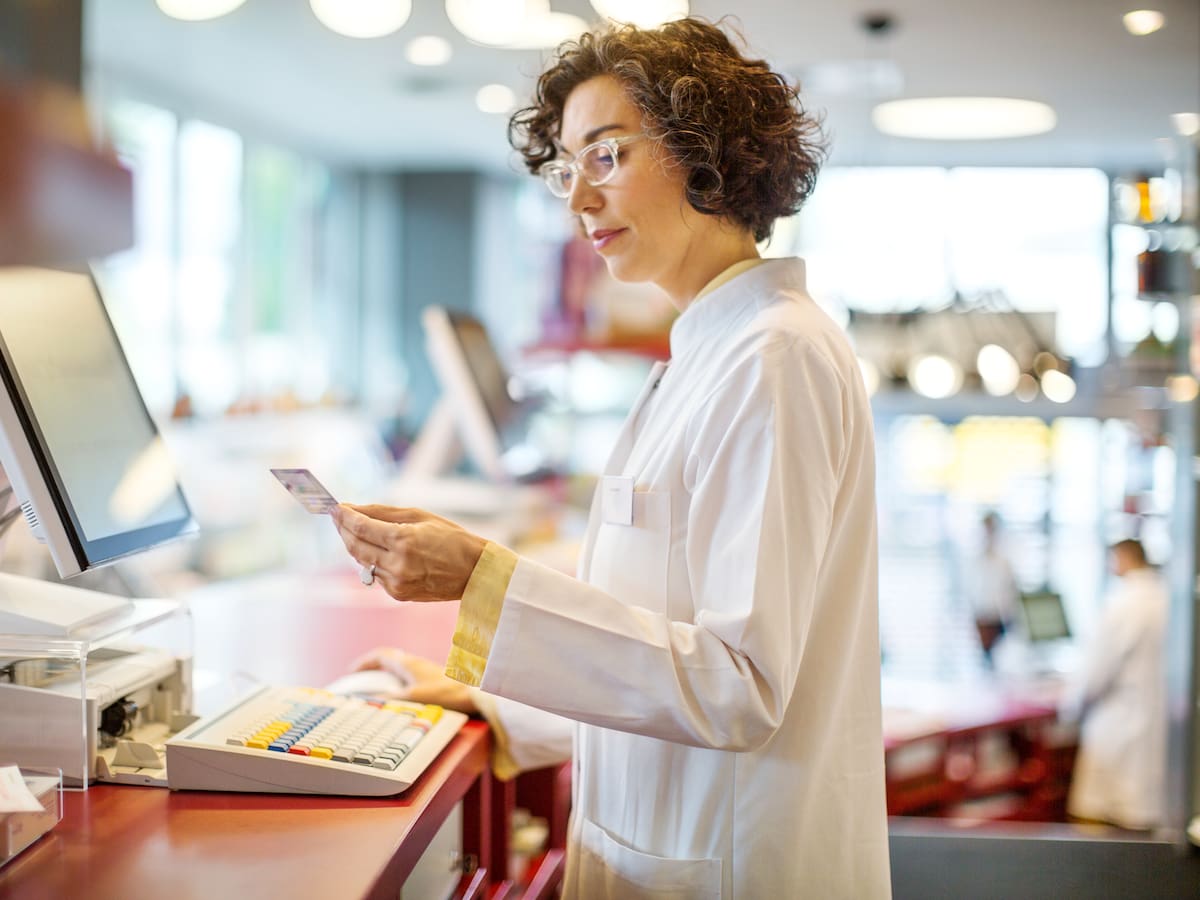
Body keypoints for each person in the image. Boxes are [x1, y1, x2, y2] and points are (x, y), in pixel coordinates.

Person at [333, 18, 890, 898]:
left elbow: (737, 686)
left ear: (706, 150)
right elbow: (652, 641)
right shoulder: (709, 353)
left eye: (605, 157)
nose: (577, 201)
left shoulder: (774, 358)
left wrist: (485, 581)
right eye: (567, 168)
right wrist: (493, 700)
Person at [1061, 538, 1168, 830]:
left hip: (1118, 725)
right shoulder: (1167, 597)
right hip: (1156, 724)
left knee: (1106, 819)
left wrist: (1070, 708)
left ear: (1121, 558)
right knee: (1143, 818)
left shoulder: (1122, 603)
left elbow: (1096, 673)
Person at [970, 511, 1019, 667]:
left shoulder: (1005, 561)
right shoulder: (975, 560)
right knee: (985, 662)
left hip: (1000, 618)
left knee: (1000, 659)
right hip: (982, 615)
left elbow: (1011, 592)